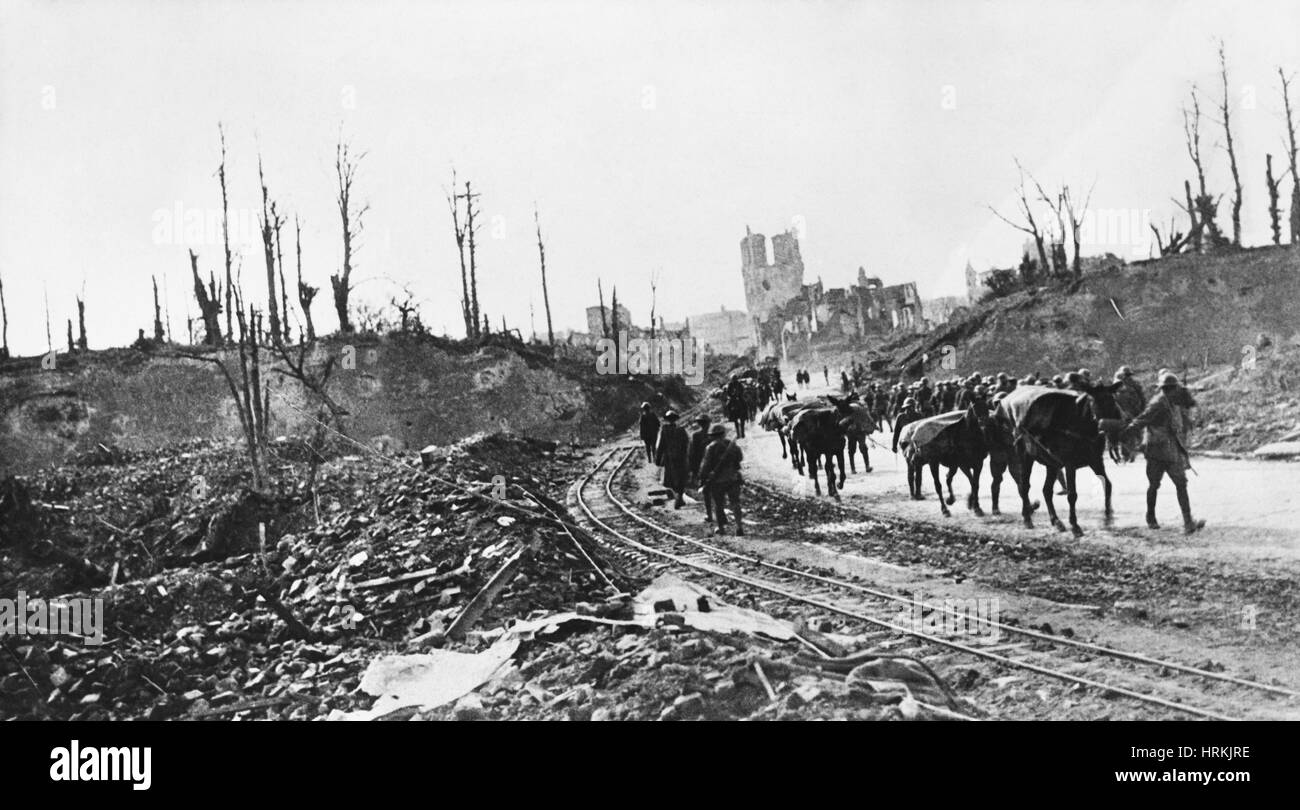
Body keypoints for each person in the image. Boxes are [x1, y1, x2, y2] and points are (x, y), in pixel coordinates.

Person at [1123, 373, 1205, 534]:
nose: (1177, 391)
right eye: (1175, 388)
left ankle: (1188, 522)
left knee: (1181, 483)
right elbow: (1142, 420)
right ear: (1169, 389)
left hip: (1171, 450)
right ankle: (1151, 517)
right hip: (1156, 450)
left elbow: (1189, 402)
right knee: (1154, 484)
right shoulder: (1158, 404)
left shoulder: (1172, 401)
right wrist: (1126, 433)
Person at [699, 423, 744, 536]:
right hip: (733, 478)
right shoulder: (732, 445)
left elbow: (706, 466)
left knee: (719, 504)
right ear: (723, 434)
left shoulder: (710, 447)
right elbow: (740, 458)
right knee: (735, 503)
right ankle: (739, 527)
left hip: (717, 480)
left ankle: (721, 528)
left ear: (712, 435)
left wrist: (703, 478)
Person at [655, 410, 691, 509]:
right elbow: (686, 444)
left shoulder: (665, 430)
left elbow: (661, 445)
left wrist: (658, 459)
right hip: (680, 458)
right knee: (681, 477)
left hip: (669, 458)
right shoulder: (681, 430)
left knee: (671, 478)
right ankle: (679, 497)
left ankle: (678, 498)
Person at [892, 397, 925, 499]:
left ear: (914, 407)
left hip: (917, 444)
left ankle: (918, 492)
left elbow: (923, 431)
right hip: (906, 445)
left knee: (919, 468)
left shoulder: (919, 416)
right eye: (907, 408)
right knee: (911, 468)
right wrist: (894, 445)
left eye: (911, 407)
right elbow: (896, 432)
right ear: (904, 408)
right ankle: (912, 493)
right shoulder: (900, 417)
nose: (909, 410)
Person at [687, 415, 714, 522]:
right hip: (710, 466)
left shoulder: (696, 435)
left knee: (706, 491)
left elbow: (692, 454)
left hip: (703, 467)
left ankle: (709, 514)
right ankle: (717, 514)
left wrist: (693, 470)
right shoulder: (713, 435)